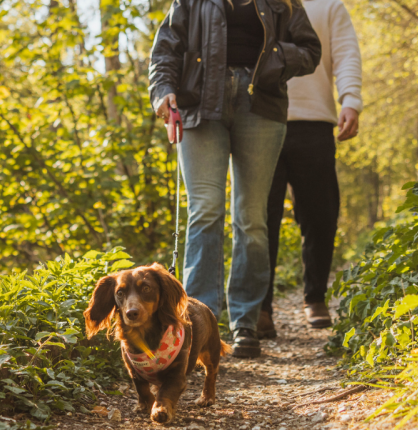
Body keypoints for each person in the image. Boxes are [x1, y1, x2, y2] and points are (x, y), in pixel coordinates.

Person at [149, 0, 321, 358]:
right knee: (205, 211)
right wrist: (163, 90)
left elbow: (310, 50)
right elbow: (167, 44)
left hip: (261, 108)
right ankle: (199, 321)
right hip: (199, 106)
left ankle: (245, 321)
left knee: (251, 218)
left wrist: (275, 57)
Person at [258, 0, 362, 336]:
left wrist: (350, 99)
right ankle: (260, 308)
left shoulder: (329, 6)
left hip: (315, 122)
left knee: (321, 214)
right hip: (257, 122)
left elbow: (346, 54)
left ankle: (315, 297)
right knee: (259, 217)